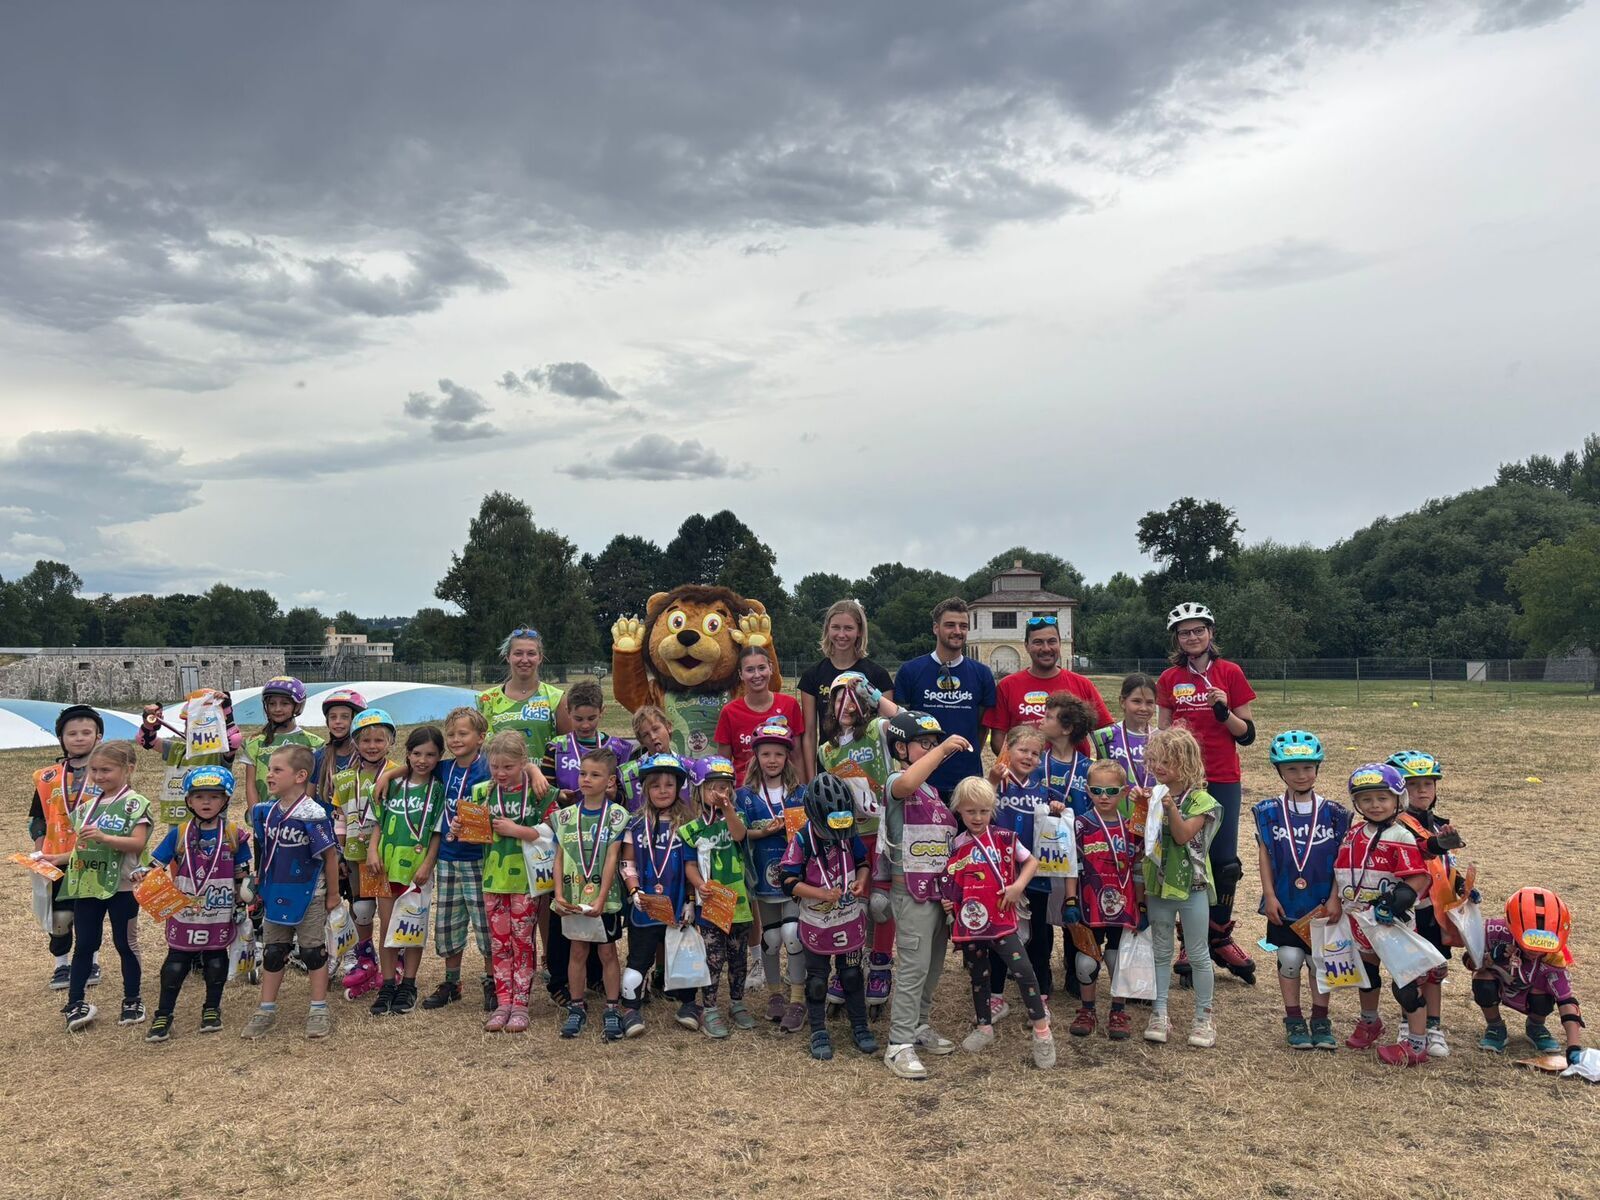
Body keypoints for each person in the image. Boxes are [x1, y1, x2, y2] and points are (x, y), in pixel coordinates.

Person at [1156, 602, 1257, 985]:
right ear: (1177, 639)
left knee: (1224, 862)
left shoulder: (1230, 672)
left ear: (1210, 633)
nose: (1192, 637)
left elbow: (1247, 735)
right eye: (1185, 632)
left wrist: (1224, 712)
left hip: (1223, 776)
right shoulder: (1170, 678)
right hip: (1185, 781)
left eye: (1199, 630)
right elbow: (1163, 733)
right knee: (1186, 858)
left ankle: (1218, 936)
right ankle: (1189, 941)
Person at [942, 777, 1055, 1069]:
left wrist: (1018, 886)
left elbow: (1031, 862)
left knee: (1024, 971)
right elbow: (952, 882)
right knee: (979, 975)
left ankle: (1042, 1031)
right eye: (970, 811)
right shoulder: (956, 845)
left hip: (1003, 919)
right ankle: (984, 1027)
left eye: (983, 811)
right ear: (959, 810)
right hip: (971, 923)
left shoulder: (1005, 838)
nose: (977, 817)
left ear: (992, 809)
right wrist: (948, 902)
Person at [1326, 763, 1434, 1067]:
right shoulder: (1353, 834)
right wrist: (1334, 899)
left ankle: (1417, 1043)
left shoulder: (1401, 836)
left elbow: (1418, 878)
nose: (1374, 805)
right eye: (1366, 799)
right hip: (1359, 919)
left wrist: (1395, 903)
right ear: (1356, 803)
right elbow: (1340, 871)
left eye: (1382, 798)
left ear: (1398, 799)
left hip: (1392, 922)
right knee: (1366, 974)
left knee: (1405, 985)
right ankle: (1370, 1021)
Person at [880, 711, 965, 1079]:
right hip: (910, 892)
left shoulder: (931, 791)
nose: (932, 750)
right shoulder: (898, 781)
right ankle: (898, 1043)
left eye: (934, 744)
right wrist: (943, 750)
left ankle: (919, 1024)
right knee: (913, 968)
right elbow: (907, 782)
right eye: (924, 744)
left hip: (936, 893)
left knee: (932, 967)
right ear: (901, 748)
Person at [1252, 731, 1349, 1051]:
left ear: (1317, 768)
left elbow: (1342, 860)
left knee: (1320, 961)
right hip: (1286, 900)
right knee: (1289, 958)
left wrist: (1335, 898)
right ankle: (1294, 1019)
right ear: (1279, 770)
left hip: (1322, 902)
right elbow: (1265, 854)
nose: (1301, 775)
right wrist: (1269, 895)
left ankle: (1320, 1019)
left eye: (1307, 767)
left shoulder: (1336, 814)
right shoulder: (1268, 811)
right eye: (1291, 768)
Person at [139, 766, 251, 1042]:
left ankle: (212, 1008)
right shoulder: (179, 833)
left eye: (214, 796)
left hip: (219, 910)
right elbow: (156, 864)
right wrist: (143, 875)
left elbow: (243, 873)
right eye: (199, 796)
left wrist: (246, 897)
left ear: (225, 799)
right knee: (176, 962)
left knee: (216, 959)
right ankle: (163, 1013)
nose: (206, 802)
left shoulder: (234, 834)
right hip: (185, 910)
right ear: (188, 800)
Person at [241, 744, 340, 1040]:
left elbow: (330, 856)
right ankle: (266, 1009)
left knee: (312, 951)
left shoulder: (312, 813)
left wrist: (333, 895)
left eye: (276, 770)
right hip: (276, 892)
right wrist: (259, 885)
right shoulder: (267, 812)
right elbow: (266, 852)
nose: (269, 775)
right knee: (273, 951)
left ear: (300, 776)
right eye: (269, 769)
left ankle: (319, 1008)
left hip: (311, 894)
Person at [815, 670, 901, 1010]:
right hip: (849, 837)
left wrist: (873, 695)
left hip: (882, 834)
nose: (846, 705)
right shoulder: (827, 750)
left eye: (852, 698)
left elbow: (906, 721)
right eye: (839, 698)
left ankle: (881, 965)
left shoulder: (878, 731)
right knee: (853, 904)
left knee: (881, 905)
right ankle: (849, 963)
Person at [780, 773, 878, 1061]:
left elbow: (862, 862)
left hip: (848, 917)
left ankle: (859, 1025)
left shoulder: (848, 833)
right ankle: (818, 1029)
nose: (836, 837)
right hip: (817, 922)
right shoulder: (802, 840)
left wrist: (861, 881)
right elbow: (787, 881)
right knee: (818, 980)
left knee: (851, 975)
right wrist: (820, 893)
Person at [59, 741, 153, 1032]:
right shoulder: (87, 808)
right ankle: (75, 1003)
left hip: (124, 887)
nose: (99, 776)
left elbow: (138, 843)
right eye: (94, 770)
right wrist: (52, 858)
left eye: (106, 770)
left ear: (128, 769)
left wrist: (105, 838)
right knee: (85, 944)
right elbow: (82, 848)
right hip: (89, 884)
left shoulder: (135, 803)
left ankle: (132, 999)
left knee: (125, 944)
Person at [1141, 727, 1220, 1049]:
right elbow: (1139, 833)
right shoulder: (1152, 794)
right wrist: (1136, 806)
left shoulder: (1203, 800)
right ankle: (1159, 1012)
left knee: (1198, 952)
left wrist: (1170, 808)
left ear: (1186, 763)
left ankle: (1204, 1017)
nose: (1159, 767)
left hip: (1192, 886)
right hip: (1158, 884)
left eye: (1167, 761)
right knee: (1160, 951)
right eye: (1155, 760)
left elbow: (1183, 835)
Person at [1388, 749, 1463, 1058]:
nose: (1422, 791)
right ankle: (1408, 1023)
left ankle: (1433, 1026)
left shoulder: (1439, 824)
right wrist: (1435, 845)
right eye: (1413, 784)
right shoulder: (1394, 826)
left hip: (1434, 910)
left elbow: (1446, 865)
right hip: (1407, 911)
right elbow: (1422, 850)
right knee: (1409, 971)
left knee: (1435, 969)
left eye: (1428, 784)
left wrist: (1462, 887)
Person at [366, 727, 446, 1016]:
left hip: (416, 871)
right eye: (416, 753)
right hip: (384, 866)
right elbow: (378, 822)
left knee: (412, 927)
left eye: (430, 755)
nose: (423, 760)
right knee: (387, 927)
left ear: (440, 756)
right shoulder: (392, 784)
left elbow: (437, 832)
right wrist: (372, 851)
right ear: (408, 754)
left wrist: (427, 864)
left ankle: (409, 984)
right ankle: (388, 984)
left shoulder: (438, 789)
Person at [734, 723, 808, 1031]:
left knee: (792, 934)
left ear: (787, 756)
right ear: (756, 756)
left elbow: (810, 833)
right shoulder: (744, 796)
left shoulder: (800, 793)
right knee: (771, 937)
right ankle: (775, 994)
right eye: (766, 754)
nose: (772, 760)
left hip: (793, 875)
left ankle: (798, 998)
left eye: (778, 754)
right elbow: (739, 833)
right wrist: (763, 832)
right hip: (763, 875)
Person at [476, 731, 552, 1033]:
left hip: (526, 881)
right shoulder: (482, 793)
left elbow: (553, 831)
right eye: (495, 766)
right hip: (493, 880)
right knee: (499, 944)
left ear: (523, 762)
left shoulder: (539, 791)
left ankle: (521, 1005)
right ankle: (503, 1003)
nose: (500, 773)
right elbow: (475, 834)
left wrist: (518, 831)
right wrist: (461, 827)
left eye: (508, 766)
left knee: (522, 943)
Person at [552, 747, 630, 1041]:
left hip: (604, 899)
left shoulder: (617, 816)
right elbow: (558, 857)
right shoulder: (565, 816)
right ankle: (576, 1007)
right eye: (583, 773)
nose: (586, 779)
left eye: (595, 775)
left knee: (607, 952)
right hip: (572, 896)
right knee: (577, 950)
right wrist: (558, 894)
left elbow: (612, 858)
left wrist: (601, 898)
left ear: (610, 781)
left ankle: (612, 1008)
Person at [619, 752, 697, 1037]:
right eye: (655, 785)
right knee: (638, 960)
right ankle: (630, 1009)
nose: (662, 791)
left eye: (669, 785)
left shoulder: (688, 825)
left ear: (678, 787)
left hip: (677, 904)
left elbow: (693, 866)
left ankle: (689, 1005)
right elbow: (627, 863)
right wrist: (634, 891)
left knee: (684, 956)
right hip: (645, 905)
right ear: (645, 789)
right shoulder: (635, 825)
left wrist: (691, 901)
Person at [1066, 759, 1144, 1041]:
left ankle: (1118, 1010)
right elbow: (1071, 865)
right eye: (1097, 790)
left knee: (1116, 958)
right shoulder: (1080, 825)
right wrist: (1070, 900)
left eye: (1111, 791)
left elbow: (1138, 870)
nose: (1104, 796)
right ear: (1088, 790)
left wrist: (1142, 905)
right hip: (1089, 903)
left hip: (1123, 905)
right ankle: (1087, 1009)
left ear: (1123, 792)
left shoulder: (1132, 828)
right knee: (1086, 961)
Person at [423, 707, 494, 1015]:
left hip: (480, 858)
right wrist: (389, 776)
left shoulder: (490, 767)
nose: (455, 739)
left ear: (481, 737)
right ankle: (452, 983)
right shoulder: (444, 768)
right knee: (448, 923)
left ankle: (493, 980)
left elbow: (521, 767)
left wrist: (533, 773)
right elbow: (413, 767)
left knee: (485, 924)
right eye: (450, 734)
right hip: (448, 858)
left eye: (463, 734)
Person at [30, 704, 104, 992]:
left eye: (87, 732)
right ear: (61, 738)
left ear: (98, 736)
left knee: (89, 914)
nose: (79, 738)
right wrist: (40, 852)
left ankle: (91, 961)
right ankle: (61, 964)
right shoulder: (47, 777)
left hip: (93, 856)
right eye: (72, 733)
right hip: (55, 858)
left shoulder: (107, 772)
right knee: (60, 917)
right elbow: (37, 819)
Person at [328, 707, 398, 1000]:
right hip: (356, 854)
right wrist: (340, 854)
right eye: (366, 740)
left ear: (390, 742)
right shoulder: (344, 779)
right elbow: (340, 819)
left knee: (391, 911)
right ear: (355, 742)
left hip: (388, 854)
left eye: (379, 740)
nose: (372, 746)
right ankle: (366, 959)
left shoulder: (397, 774)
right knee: (363, 909)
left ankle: (396, 961)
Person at [1468, 887, 1584, 1064]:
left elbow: (1566, 1001)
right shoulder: (1493, 931)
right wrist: (1490, 957)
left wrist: (1574, 1047)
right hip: (1499, 980)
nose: (1536, 951)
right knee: (1482, 981)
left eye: (1543, 946)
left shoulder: (1554, 957)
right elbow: (1469, 962)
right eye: (1530, 942)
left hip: (1533, 987)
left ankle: (1536, 1025)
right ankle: (1495, 1025)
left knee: (1545, 997)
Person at [894, 598, 995, 798]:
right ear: (935, 628)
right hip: (922, 780)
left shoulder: (982, 674)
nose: (957, 631)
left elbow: (982, 726)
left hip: (967, 780)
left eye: (963, 626)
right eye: (950, 625)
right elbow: (899, 724)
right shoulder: (910, 671)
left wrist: (967, 753)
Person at [681, 757, 753, 1037]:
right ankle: (709, 1008)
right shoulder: (691, 829)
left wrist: (728, 808)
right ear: (698, 790)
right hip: (710, 905)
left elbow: (739, 835)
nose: (720, 792)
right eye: (713, 787)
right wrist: (699, 884)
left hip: (738, 904)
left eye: (725, 786)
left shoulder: (737, 818)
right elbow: (689, 865)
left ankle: (737, 1003)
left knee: (738, 957)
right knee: (713, 958)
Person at [992, 725, 1058, 1016]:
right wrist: (992, 780)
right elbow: (978, 802)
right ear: (1008, 749)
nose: (1029, 757)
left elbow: (1055, 813)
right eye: (1023, 750)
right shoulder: (998, 782)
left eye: (1035, 753)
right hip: (1001, 873)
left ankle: (1040, 995)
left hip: (1036, 874)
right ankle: (995, 995)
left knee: (1039, 936)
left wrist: (1056, 807)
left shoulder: (1042, 788)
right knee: (999, 933)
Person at [984, 614, 1109, 756]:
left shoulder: (1083, 684)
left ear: (1060, 643)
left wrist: (1102, 766)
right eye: (1038, 642)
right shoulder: (1007, 686)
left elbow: (1106, 733)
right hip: (1027, 770)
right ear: (1026, 646)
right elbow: (998, 739)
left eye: (1052, 641)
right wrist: (1019, 765)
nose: (1046, 648)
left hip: (1074, 770)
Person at [798, 598, 894, 782]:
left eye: (848, 628)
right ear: (827, 629)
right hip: (830, 772)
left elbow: (888, 729)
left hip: (869, 771)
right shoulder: (812, 676)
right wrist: (811, 781)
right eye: (836, 627)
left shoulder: (878, 675)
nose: (841, 634)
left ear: (859, 631)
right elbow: (809, 734)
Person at [476, 625, 568, 772]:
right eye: (518, 653)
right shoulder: (487, 699)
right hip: (500, 782)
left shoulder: (556, 698)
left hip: (544, 783)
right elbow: (479, 750)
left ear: (540, 658)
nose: (524, 659)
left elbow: (568, 749)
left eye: (531, 653)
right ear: (508, 657)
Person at [715, 645, 805, 783]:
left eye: (762, 668)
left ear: (771, 668)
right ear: (741, 674)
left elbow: (797, 756)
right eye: (750, 670)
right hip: (743, 790)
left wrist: (802, 791)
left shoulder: (789, 705)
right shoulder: (730, 712)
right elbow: (723, 763)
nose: (757, 675)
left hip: (783, 788)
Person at [240, 677, 324, 810]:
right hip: (266, 816)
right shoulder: (254, 743)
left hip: (301, 815)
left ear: (297, 706)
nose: (277, 709)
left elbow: (314, 785)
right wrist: (255, 814)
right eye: (272, 704)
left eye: (285, 704)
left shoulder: (314, 744)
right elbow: (251, 785)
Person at [540, 680, 635, 790]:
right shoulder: (555, 747)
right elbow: (547, 790)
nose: (585, 725)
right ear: (568, 712)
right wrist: (559, 796)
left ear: (602, 711)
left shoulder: (617, 748)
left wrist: (614, 795)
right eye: (578, 719)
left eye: (591, 718)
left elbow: (625, 792)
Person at [1090, 673, 1159, 799]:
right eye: (1136, 701)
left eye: (1150, 702)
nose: (1143, 708)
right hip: (1115, 808)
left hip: (1153, 807)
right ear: (1122, 702)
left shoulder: (1161, 739)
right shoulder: (1104, 737)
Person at [311, 688, 367, 807]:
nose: (337, 721)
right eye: (333, 717)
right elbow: (308, 799)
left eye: (344, 717)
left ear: (357, 720)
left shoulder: (367, 758)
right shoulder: (319, 757)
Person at [618, 704, 678, 812]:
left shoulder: (688, 767)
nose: (653, 737)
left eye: (656, 729)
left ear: (668, 727)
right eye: (646, 735)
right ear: (641, 741)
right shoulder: (628, 772)